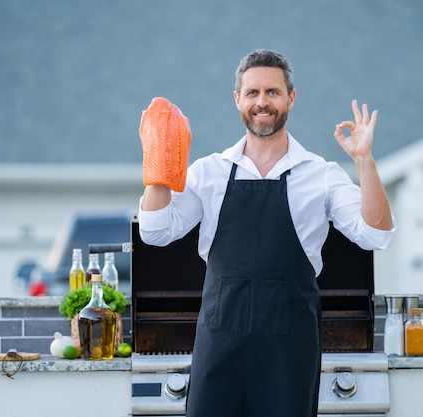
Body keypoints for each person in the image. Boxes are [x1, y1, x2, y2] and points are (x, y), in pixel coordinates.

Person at [138, 49, 395, 417]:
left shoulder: (320, 174)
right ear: (237, 100)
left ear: (291, 97)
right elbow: (156, 232)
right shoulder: (209, 172)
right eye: (253, 92)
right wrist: (158, 166)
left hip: (288, 354)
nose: (262, 102)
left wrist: (364, 161)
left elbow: (376, 235)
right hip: (220, 349)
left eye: (273, 92)